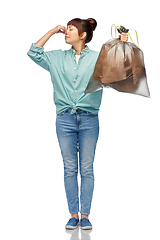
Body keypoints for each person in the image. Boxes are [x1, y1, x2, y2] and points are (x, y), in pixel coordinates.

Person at [27, 18, 128, 230]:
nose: (66, 31)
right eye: (66, 28)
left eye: (71, 29)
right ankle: (73, 215)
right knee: (70, 168)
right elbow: (34, 52)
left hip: (89, 119)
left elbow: (121, 70)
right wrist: (54, 30)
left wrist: (123, 45)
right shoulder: (56, 58)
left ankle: (86, 216)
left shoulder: (97, 57)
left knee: (87, 168)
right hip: (64, 119)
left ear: (82, 35)